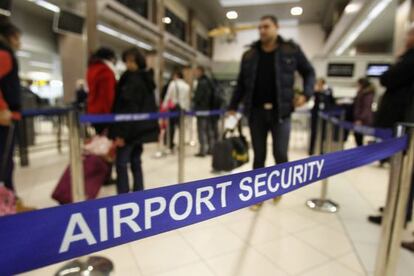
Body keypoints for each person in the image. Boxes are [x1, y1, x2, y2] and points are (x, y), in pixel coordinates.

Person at [228, 15, 315, 169]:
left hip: (281, 113)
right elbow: (241, 83)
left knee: (280, 154)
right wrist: (232, 106)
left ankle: (279, 191)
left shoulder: (291, 50)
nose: (262, 30)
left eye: (266, 27)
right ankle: (258, 191)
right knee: (258, 156)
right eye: (260, 27)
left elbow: (309, 72)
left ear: (276, 27)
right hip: (256, 113)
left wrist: (306, 94)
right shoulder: (249, 55)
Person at [368, 25, 414, 253]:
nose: (406, 38)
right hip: (404, 125)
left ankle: (398, 214)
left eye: (409, 35)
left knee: (406, 173)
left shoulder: (410, 59)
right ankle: (396, 212)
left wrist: (399, 62)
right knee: (403, 173)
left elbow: (388, 78)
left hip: (408, 125)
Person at [110, 47, 159, 194]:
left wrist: (122, 134)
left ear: (138, 61)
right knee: (136, 161)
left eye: (131, 61)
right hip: (140, 130)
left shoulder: (132, 80)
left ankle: (123, 195)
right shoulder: (145, 79)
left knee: (121, 163)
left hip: (129, 130)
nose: (128, 64)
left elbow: (128, 109)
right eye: (126, 61)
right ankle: (139, 192)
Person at [0, 21, 22, 194]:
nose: (19, 42)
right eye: (18, 38)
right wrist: (3, 108)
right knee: (5, 161)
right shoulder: (5, 54)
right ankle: (6, 202)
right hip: (5, 117)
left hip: (7, 114)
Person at [86, 47, 117, 135]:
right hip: (104, 112)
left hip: (93, 110)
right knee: (106, 140)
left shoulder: (91, 69)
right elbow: (108, 95)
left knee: (99, 136)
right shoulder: (105, 71)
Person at [162, 67, 190, 151]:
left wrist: (164, 106)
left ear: (176, 75)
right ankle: (181, 144)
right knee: (181, 128)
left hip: (174, 108)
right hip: (183, 108)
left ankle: (170, 144)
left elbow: (168, 96)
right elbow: (187, 99)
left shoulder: (173, 84)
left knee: (171, 127)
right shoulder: (187, 86)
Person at [193, 66, 215, 157]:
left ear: (201, 72)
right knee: (208, 130)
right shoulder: (209, 82)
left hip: (202, 110)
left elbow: (198, 97)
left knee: (201, 130)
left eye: (197, 71)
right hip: (209, 110)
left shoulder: (201, 83)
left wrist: (194, 101)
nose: (195, 73)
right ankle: (210, 148)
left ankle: (203, 150)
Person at [309, 78, 335, 155]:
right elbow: (312, 99)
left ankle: (322, 150)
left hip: (325, 115)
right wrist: (316, 91)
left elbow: (331, 101)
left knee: (323, 133)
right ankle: (311, 150)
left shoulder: (328, 91)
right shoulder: (315, 91)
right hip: (315, 114)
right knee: (314, 132)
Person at [353, 77, 375, 146]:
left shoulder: (367, 94)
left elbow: (366, 107)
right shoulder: (361, 93)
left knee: (360, 136)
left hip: (363, 120)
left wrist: (360, 119)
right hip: (359, 118)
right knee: (358, 136)